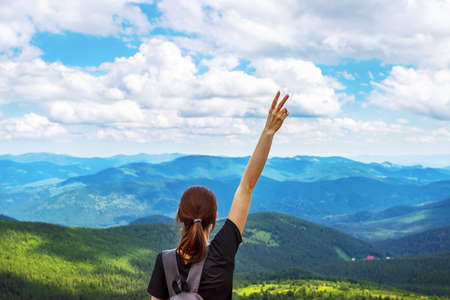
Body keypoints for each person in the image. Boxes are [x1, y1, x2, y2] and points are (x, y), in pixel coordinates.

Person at [147, 91, 290, 300]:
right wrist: (268, 132)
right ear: (214, 218)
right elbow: (246, 187)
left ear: (179, 216)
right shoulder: (221, 254)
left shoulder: (164, 262)